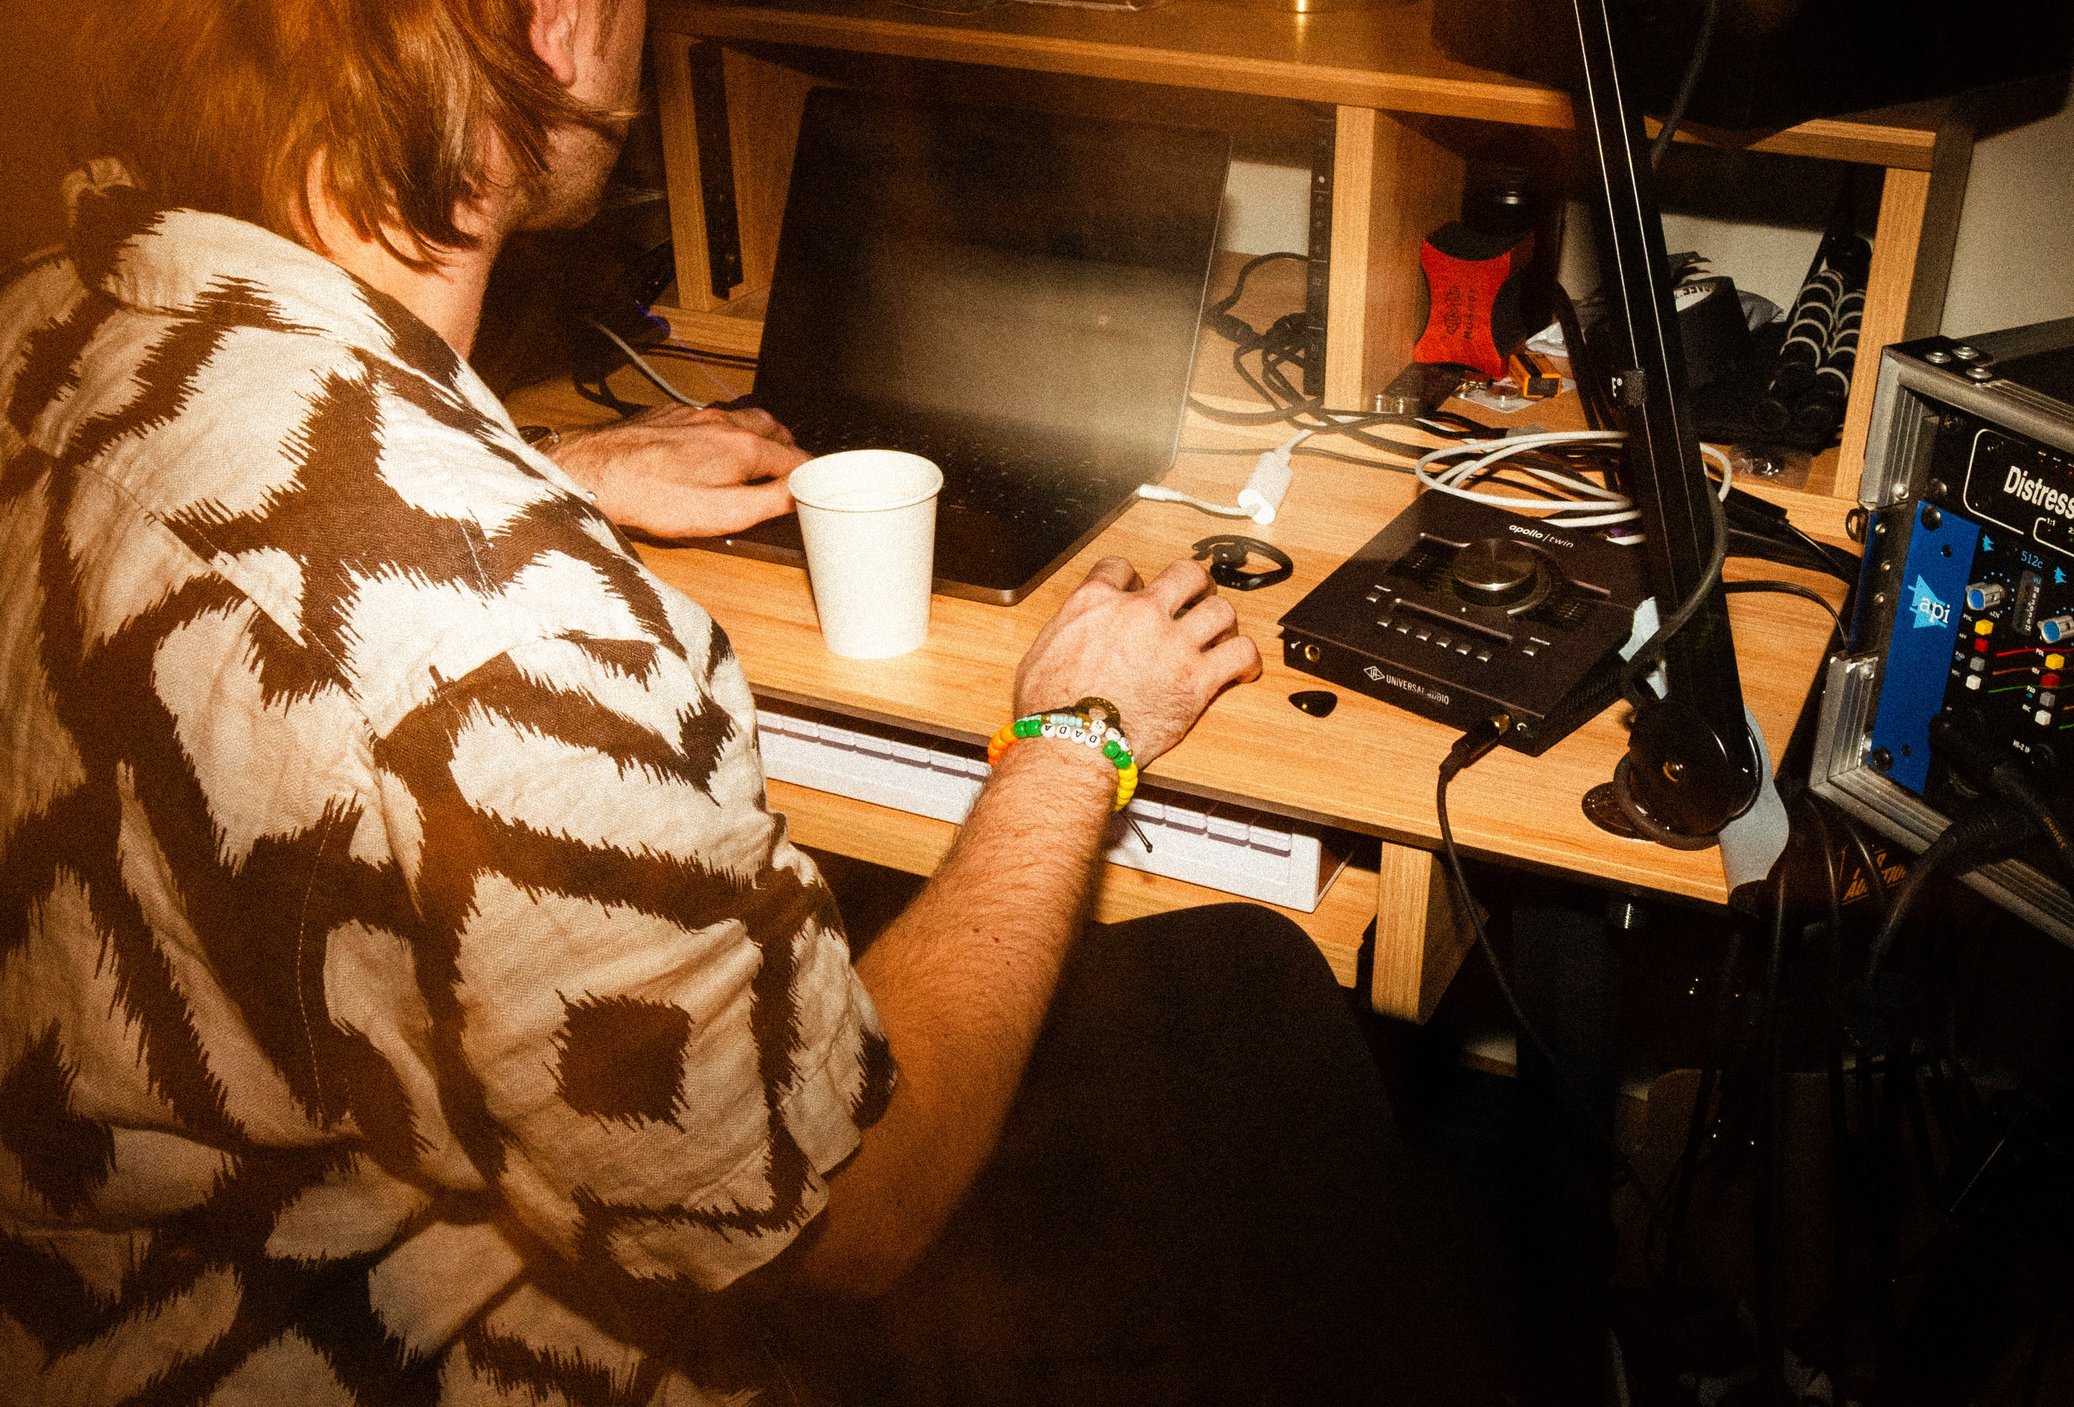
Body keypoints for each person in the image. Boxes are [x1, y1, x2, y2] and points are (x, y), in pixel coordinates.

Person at [0, 1, 1487, 1402]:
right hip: (369, 1351)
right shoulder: (511, 622)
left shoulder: (57, 317)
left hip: (97, 1288)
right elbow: (859, 1211)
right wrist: (1071, 737)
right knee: (1270, 1016)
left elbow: (267, 538)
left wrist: (552, 472)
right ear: (551, 20)